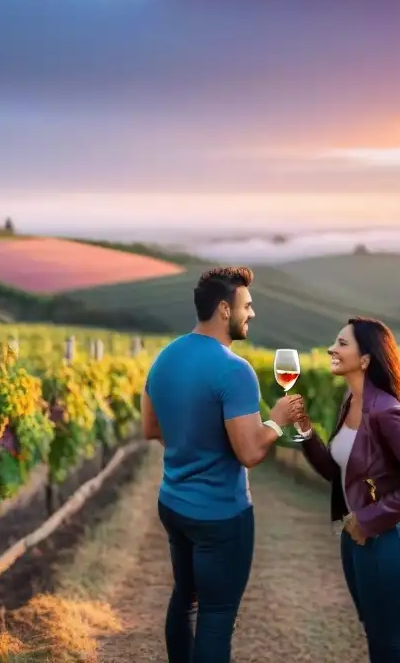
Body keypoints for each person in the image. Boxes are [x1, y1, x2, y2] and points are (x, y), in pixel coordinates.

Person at [141, 266, 304, 663]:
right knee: (217, 615)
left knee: (185, 597)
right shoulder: (235, 370)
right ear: (223, 309)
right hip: (221, 515)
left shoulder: (166, 356)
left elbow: (149, 427)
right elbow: (249, 452)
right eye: (247, 305)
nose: (253, 313)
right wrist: (276, 421)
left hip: (174, 503)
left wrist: (190, 448)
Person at [295, 316, 400, 662]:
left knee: (397, 642)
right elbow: (337, 471)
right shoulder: (351, 403)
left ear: (365, 359)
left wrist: (368, 520)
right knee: (376, 635)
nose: (332, 348)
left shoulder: (386, 411)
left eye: (342, 343)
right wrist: (304, 429)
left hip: (389, 538)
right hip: (358, 535)